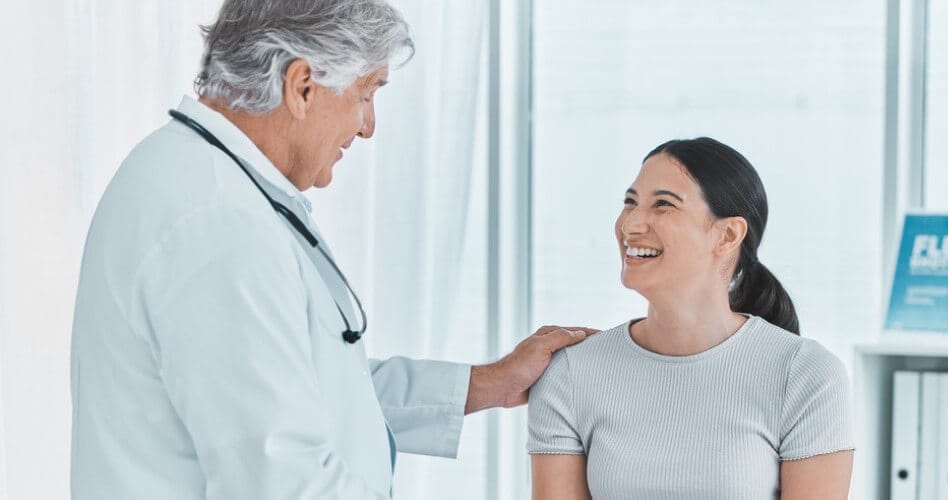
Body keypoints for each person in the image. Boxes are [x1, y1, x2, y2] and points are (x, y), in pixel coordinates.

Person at [69, 1, 595, 498]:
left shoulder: (203, 184)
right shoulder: (216, 223)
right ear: (301, 86)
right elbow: (282, 479)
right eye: (366, 94)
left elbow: (312, 389)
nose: (368, 126)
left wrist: (491, 384)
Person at [527, 137, 855, 499]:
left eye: (663, 204)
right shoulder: (570, 373)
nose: (631, 224)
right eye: (630, 202)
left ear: (727, 235)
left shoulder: (806, 374)